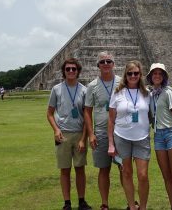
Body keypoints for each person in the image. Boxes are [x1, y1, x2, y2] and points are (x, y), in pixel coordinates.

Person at [84, 52, 137, 210]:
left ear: (114, 64)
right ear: (98, 66)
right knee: (103, 169)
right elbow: (87, 111)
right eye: (102, 62)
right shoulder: (92, 86)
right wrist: (91, 134)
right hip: (100, 132)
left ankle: (131, 202)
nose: (105, 64)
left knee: (124, 169)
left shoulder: (123, 82)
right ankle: (105, 203)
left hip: (120, 131)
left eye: (109, 61)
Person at [46, 58, 92, 210]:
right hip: (62, 134)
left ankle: (81, 201)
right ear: (64, 72)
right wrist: (56, 129)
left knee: (80, 169)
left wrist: (83, 138)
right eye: (68, 69)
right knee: (64, 169)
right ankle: (67, 203)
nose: (71, 71)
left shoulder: (84, 90)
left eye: (73, 69)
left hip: (79, 133)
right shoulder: (57, 89)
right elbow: (50, 113)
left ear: (78, 71)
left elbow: (87, 116)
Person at [108, 60, 151, 210]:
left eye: (136, 73)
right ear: (125, 75)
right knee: (126, 173)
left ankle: (143, 207)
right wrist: (111, 144)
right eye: (130, 73)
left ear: (140, 75)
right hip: (121, 137)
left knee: (143, 175)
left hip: (142, 138)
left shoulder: (147, 93)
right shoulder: (117, 93)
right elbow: (111, 120)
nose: (133, 76)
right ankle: (132, 206)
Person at [146, 63, 172, 210]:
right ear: (150, 76)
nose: (157, 76)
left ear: (163, 77)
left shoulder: (168, 93)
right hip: (158, 135)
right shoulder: (150, 95)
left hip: (171, 133)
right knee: (166, 176)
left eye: (160, 74)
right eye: (154, 73)